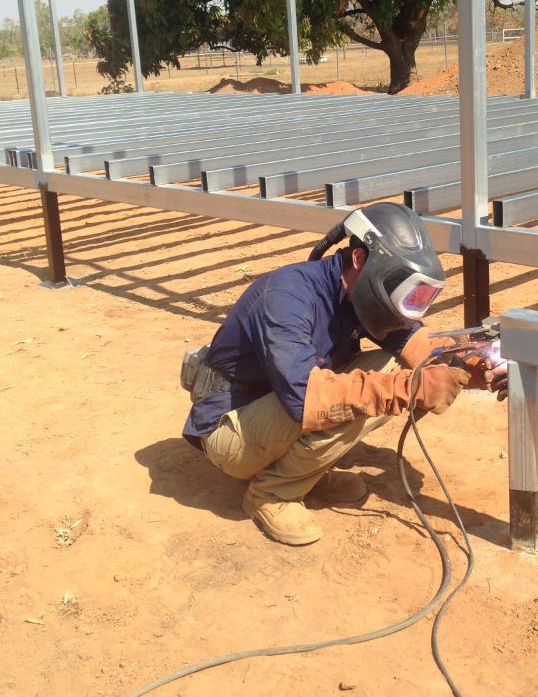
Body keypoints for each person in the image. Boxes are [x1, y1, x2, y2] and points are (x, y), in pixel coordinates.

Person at [182, 203, 505, 546]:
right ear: (359, 259)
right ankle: (271, 494)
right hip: (230, 429)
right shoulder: (288, 296)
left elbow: (417, 346)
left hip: (272, 409)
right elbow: (306, 399)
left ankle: (306, 474)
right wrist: (411, 389)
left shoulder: (359, 295)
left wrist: (474, 367)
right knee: (363, 393)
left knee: (386, 369)